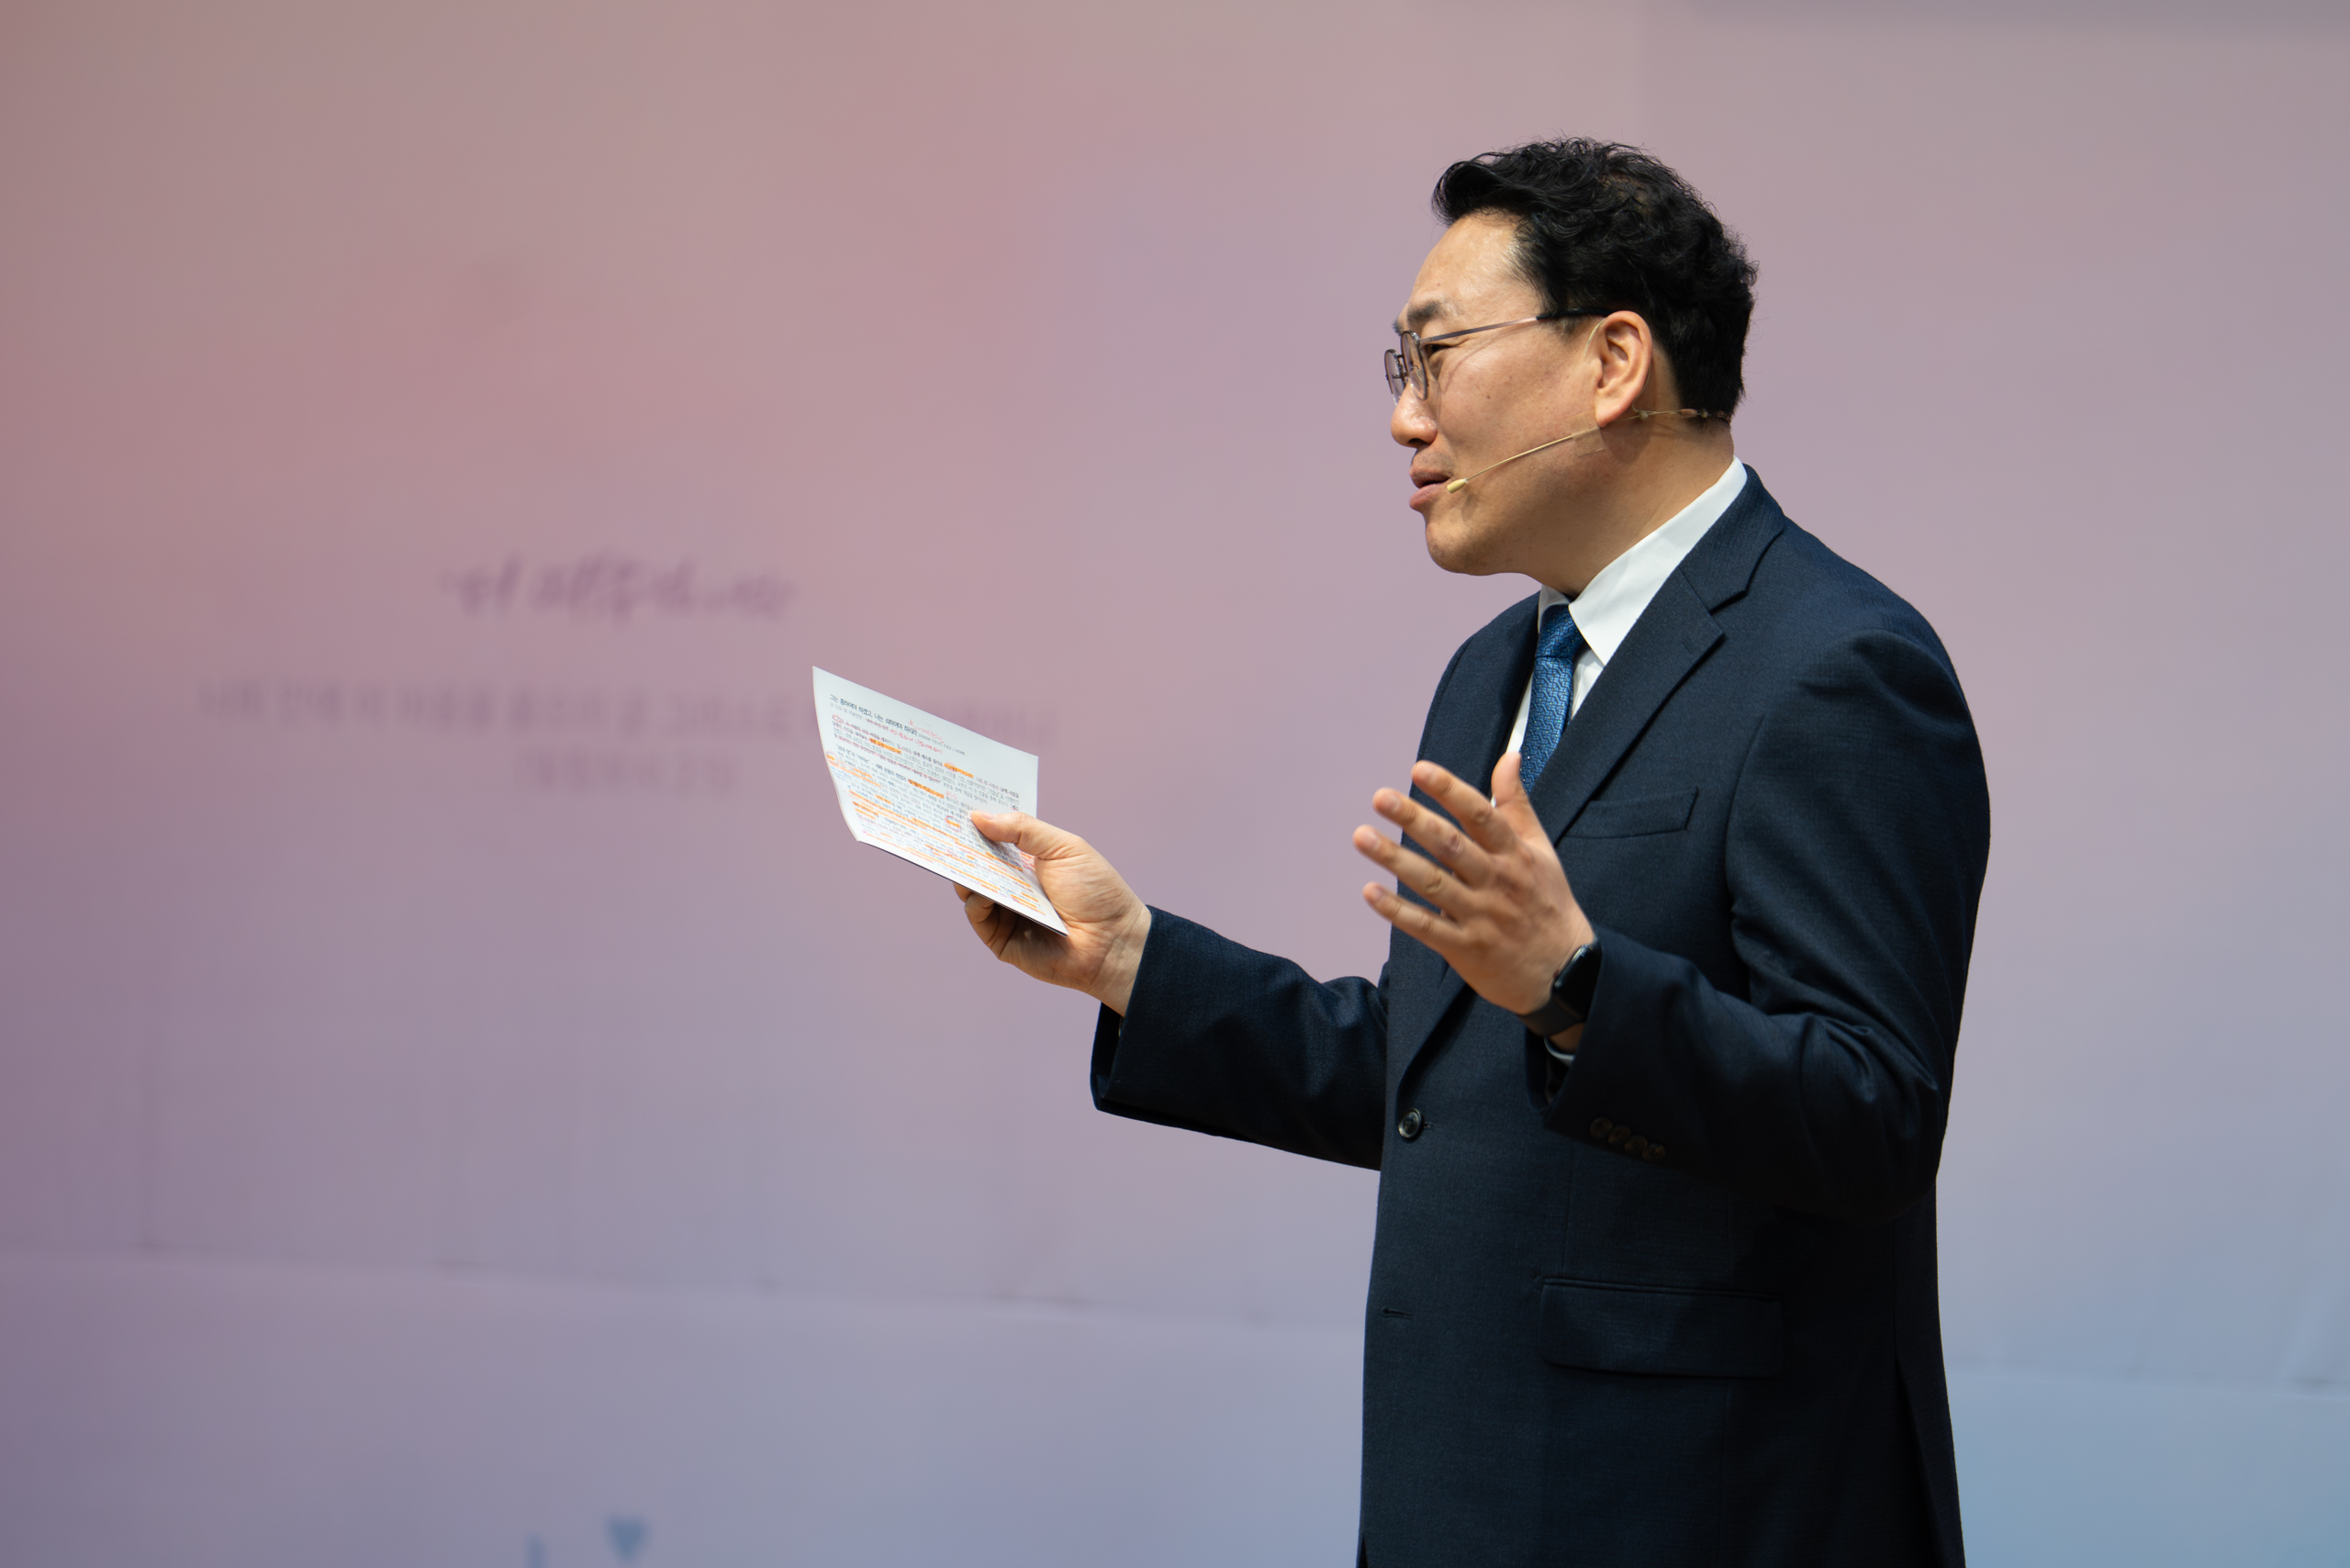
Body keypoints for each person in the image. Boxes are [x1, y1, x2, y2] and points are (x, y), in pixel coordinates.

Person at [953, 140, 1988, 1568]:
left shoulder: (1835, 668)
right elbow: (1444, 1078)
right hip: (1467, 1495)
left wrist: (1578, 989)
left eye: (1435, 357)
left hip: (1701, 1514)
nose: (1403, 418)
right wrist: (1134, 962)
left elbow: (1872, 1117)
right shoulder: (1497, 667)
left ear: (1613, 361)